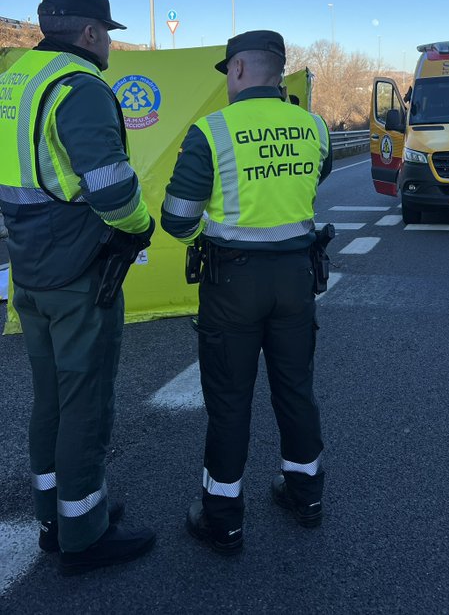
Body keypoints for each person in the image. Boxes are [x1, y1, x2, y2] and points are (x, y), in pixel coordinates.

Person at [0, 0, 156, 575]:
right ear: (90, 33)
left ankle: (51, 519)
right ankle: (84, 533)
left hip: (28, 265)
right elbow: (113, 188)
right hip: (77, 271)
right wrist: (139, 228)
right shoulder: (79, 88)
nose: (110, 46)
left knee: (49, 401)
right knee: (84, 402)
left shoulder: (12, 79)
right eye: (109, 35)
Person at [161, 30, 332, 555]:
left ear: (237, 70)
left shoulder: (211, 131)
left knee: (230, 402)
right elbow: (313, 179)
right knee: (295, 390)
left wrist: (207, 241)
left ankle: (223, 519)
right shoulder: (314, 127)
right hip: (297, 281)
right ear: (278, 72)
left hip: (231, 283)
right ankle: (305, 496)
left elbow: (177, 218)